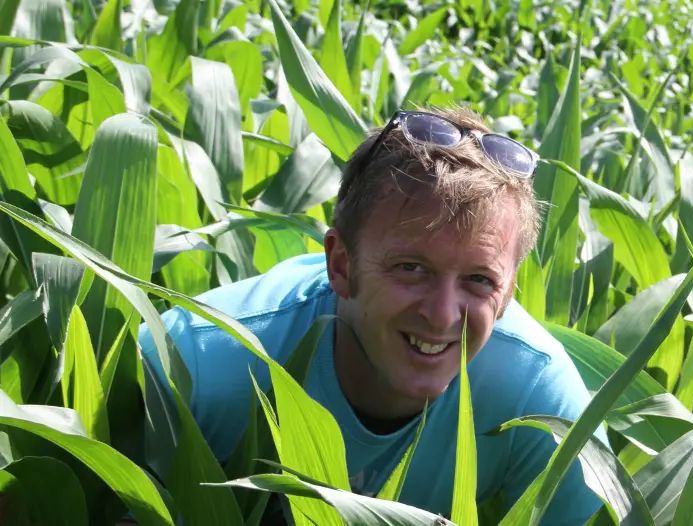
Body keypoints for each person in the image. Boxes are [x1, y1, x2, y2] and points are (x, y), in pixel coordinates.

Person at [140, 107, 602, 523]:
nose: (442, 315)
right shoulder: (194, 362)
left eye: (479, 280)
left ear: (508, 293)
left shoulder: (537, 399)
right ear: (341, 265)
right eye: (411, 269)